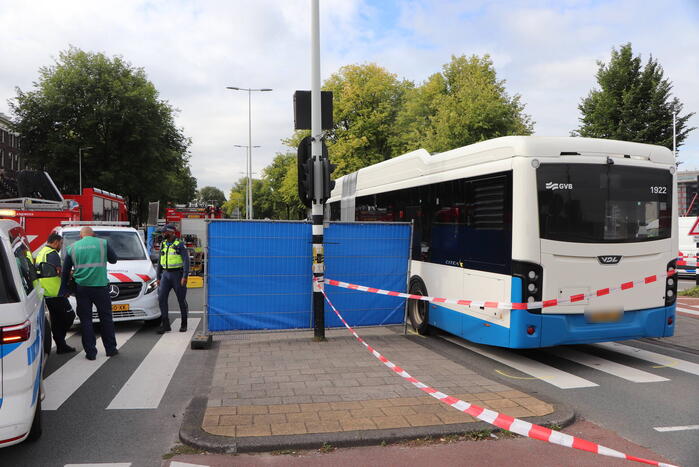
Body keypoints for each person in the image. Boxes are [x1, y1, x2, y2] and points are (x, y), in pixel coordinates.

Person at [59, 227, 118, 360]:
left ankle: (91, 353)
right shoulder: (103, 243)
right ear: (93, 235)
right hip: (101, 287)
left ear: (81, 236)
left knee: (86, 320)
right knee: (106, 319)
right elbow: (114, 259)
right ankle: (111, 349)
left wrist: (64, 289)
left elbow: (65, 271)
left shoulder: (72, 247)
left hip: (82, 289)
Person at [36, 233, 76, 354]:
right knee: (69, 316)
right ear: (56, 242)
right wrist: (70, 277)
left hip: (46, 291)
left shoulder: (42, 252)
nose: (61, 246)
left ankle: (61, 345)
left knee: (57, 319)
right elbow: (60, 272)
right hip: (56, 293)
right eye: (61, 243)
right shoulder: (53, 254)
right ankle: (60, 342)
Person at [156, 224, 189, 333]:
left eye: (164, 232)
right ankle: (165, 324)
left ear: (171, 232)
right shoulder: (163, 244)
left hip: (177, 275)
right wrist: (158, 276)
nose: (163, 234)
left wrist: (185, 276)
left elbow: (186, 261)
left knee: (181, 299)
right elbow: (159, 261)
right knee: (161, 298)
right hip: (165, 275)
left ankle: (184, 323)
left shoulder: (179, 244)